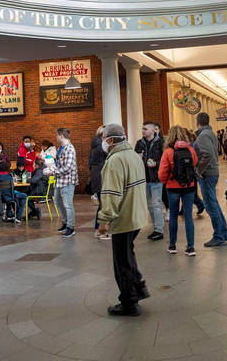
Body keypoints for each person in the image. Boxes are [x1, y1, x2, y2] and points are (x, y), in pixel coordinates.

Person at [97, 123, 150, 316]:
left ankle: (129, 302)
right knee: (128, 254)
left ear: (110, 140)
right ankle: (139, 287)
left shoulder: (115, 160)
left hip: (124, 217)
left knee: (121, 262)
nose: (103, 142)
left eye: (104, 139)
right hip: (136, 215)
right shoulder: (134, 156)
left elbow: (111, 194)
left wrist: (104, 220)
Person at [158, 125, 199, 256]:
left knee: (174, 216)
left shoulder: (168, 152)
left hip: (173, 187)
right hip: (189, 186)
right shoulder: (190, 149)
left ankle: (173, 245)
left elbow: (162, 173)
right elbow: (195, 163)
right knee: (188, 217)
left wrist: (166, 182)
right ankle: (191, 247)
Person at [194, 112, 227, 247]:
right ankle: (224, 233)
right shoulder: (210, 133)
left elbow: (207, 154)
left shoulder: (203, 135)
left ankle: (219, 236)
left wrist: (199, 170)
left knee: (210, 206)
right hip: (212, 172)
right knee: (213, 203)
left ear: (197, 121)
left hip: (207, 174)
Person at [135, 121, 164, 241]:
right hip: (144, 178)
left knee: (157, 204)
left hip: (156, 178)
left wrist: (155, 163)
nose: (143, 131)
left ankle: (159, 230)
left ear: (153, 130)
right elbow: (135, 157)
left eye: (146, 129)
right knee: (149, 205)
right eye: (142, 129)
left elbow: (164, 160)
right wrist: (138, 159)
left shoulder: (160, 143)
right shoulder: (139, 143)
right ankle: (156, 227)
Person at [46, 128, 78, 237]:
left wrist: (53, 171)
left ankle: (71, 227)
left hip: (68, 181)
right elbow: (58, 163)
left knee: (68, 205)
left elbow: (68, 168)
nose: (56, 137)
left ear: (61, 136)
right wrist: (50, 164)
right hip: (59, 180)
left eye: (56, 135)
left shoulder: (70, 149)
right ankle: (65, 222)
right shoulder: (60, 148)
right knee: (58, 202)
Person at [89, 125, 108, 238]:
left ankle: (99, 229)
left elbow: (90, 164)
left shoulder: (94, 147)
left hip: (96, 178)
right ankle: (100, 230)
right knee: (103, 205)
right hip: (102, 178)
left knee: (102, 204)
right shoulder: (102, 147)